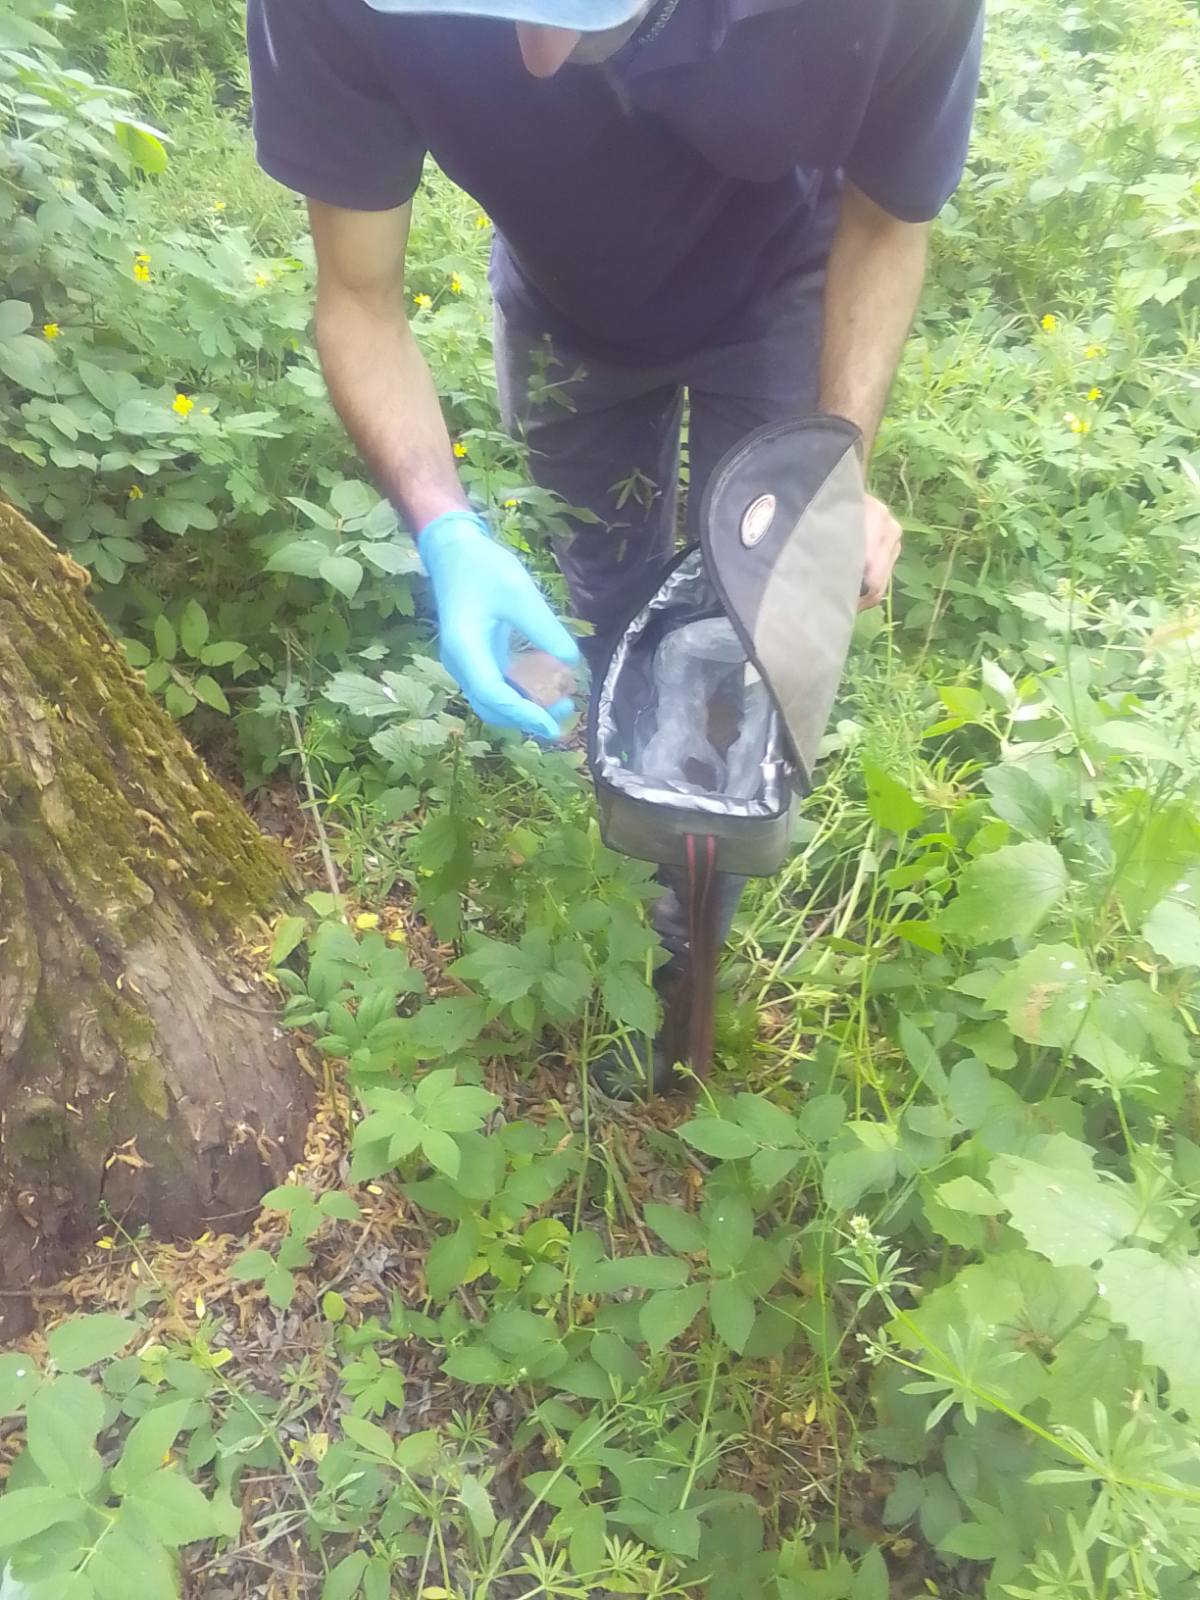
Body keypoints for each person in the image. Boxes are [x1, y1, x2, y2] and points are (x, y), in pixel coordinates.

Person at [247, 0, 983, 1086]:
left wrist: (832, 470)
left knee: (744, 639)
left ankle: (700, 955)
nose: (536, 56)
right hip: (566, 307)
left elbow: (886, 225)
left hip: (784, 282)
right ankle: (642, 920)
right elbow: (359, 297)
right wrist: (446, 526)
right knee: (610, 606)